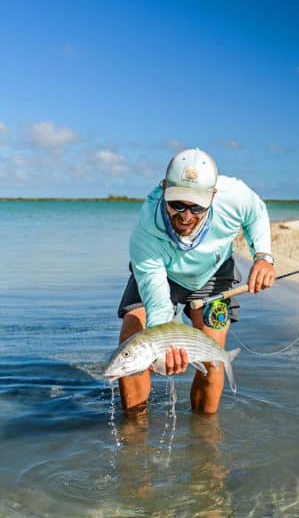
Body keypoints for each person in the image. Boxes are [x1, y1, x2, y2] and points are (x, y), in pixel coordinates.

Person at [116, 148, 275, 414]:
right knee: (133, 338)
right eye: (176, 203)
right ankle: (134, 434)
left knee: (213, 355)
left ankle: (205, 443)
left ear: (213, 195)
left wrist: (263, 257)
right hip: (160, 274)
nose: (186, 216)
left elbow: (256, 214)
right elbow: (158, 308)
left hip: (214, 275)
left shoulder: (234, 195)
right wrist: (164, 350)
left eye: (196, 206)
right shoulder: (146, 232)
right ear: (164, 188)